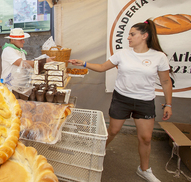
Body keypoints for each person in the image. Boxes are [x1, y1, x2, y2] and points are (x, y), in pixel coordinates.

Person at [69, 19, 172, 182]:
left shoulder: (159, 57)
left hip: (145, 102)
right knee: (113, 131)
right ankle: (95, 155)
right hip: (121, 99)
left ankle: (144, 169)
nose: (128, 38)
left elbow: (166, 81)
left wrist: (168, 104)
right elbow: (103, 67)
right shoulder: (122, 54)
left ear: (144, 36)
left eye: (132, 34)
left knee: (145, 138)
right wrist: (84, 63)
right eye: (129, 34)